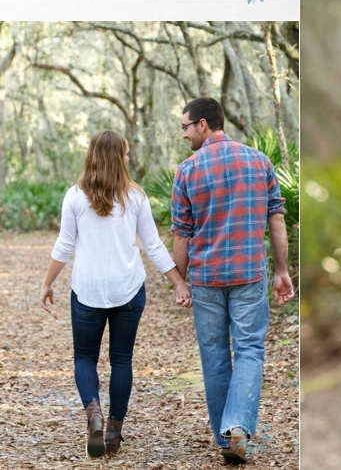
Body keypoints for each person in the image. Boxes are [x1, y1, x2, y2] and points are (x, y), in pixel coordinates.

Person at [39, 130, 191, 459]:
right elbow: (152, 245)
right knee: (122, 360)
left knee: (84, 358)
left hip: (87, 291)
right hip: (128, 290)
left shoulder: (75, 196)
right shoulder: (135, 196)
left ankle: (93, 413)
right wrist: (178, 281)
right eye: (125, 153)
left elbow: (64, 245)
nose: (127, 158)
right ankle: (113, 431)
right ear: (115, 157)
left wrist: (46, 283)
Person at [171, 97, 294, 465]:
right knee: (250, 350)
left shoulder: (187, 171)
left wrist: (179, 280)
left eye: (186, 127)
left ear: (204, 125)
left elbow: (182, 236)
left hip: (207, 278)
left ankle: (226, 437)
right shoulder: (260, 161)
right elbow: (277, 220)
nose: (184, 134)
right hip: (249, 273)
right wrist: (282, 270)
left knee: (213, 354)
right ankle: (237, 429)